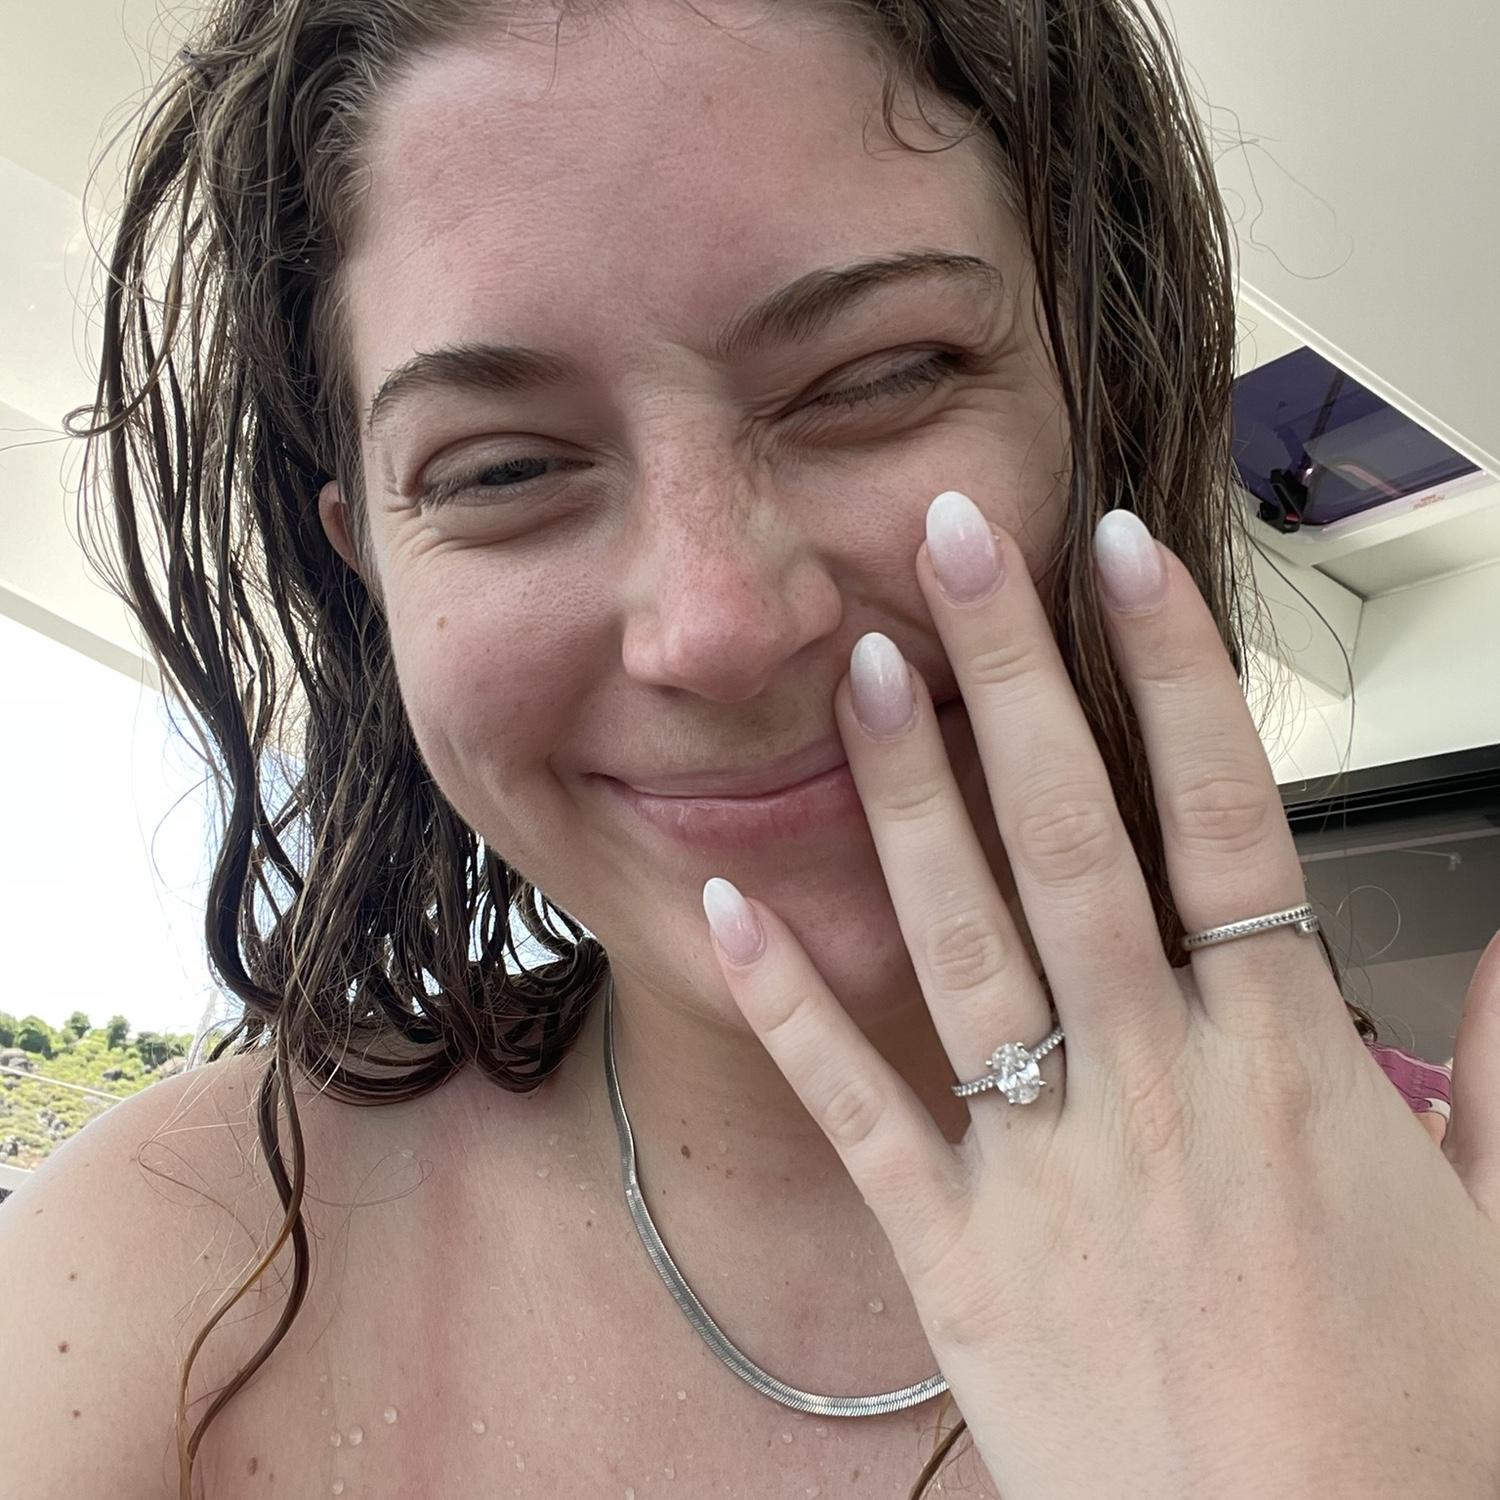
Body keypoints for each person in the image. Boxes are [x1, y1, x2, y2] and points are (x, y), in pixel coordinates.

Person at [3, 1, 1495, 1496]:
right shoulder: (149, 1282)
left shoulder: (1462, 1245)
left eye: (878, 378)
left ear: (1111, 393)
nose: (716, 626)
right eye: (502, 469)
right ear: (370, 572)